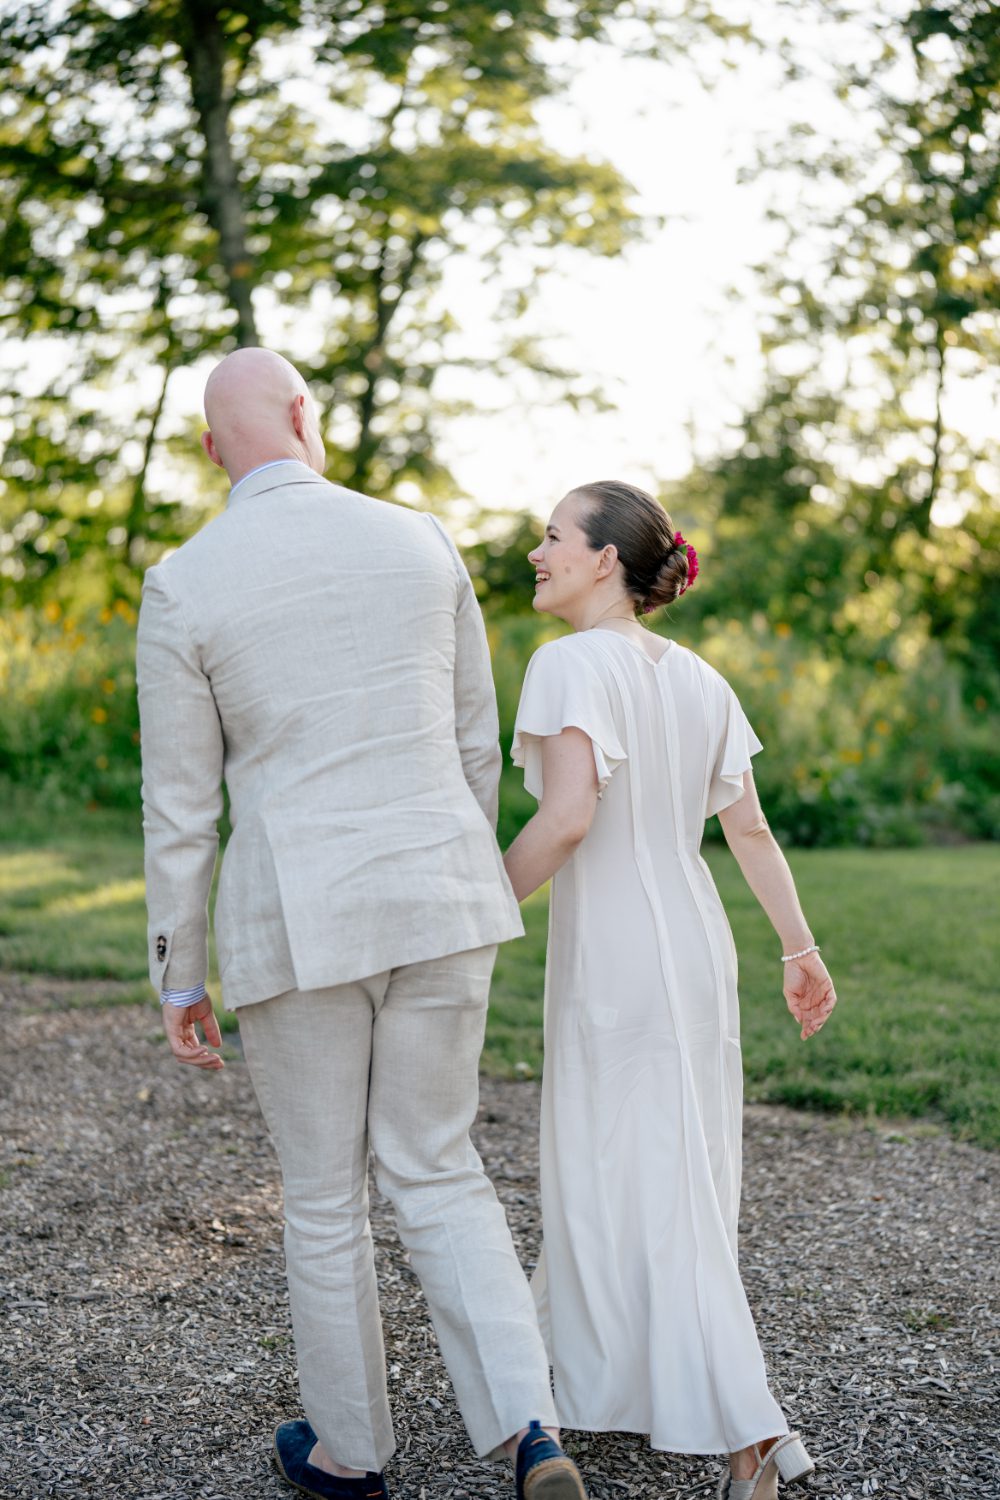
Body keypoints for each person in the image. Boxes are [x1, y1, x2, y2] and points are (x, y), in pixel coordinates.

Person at [135, 347, 588, 1500]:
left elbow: (180, 809)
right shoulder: (419, 540)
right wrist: (450, 871)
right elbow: (475, 743)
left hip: (299, 917)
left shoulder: (185, 582)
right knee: (439, 1167)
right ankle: (532, 1429)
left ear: (208, 451)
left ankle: (351, 1457)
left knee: (327, 1193)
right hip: (440, 890)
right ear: (303, 415)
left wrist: (180, 976)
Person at [503, 480, 838, 1500]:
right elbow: (747, 829)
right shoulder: (699, 679)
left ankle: (745, 1433)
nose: (536, 552)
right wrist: (798, 947)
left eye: (554, 535)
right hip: (693, 948)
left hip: (618, 952)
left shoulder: (566, 666)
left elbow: (565, 821)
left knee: (630, 1172)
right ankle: (575, 1378)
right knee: (662, 1170)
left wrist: (471, 909)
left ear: (605, 559)